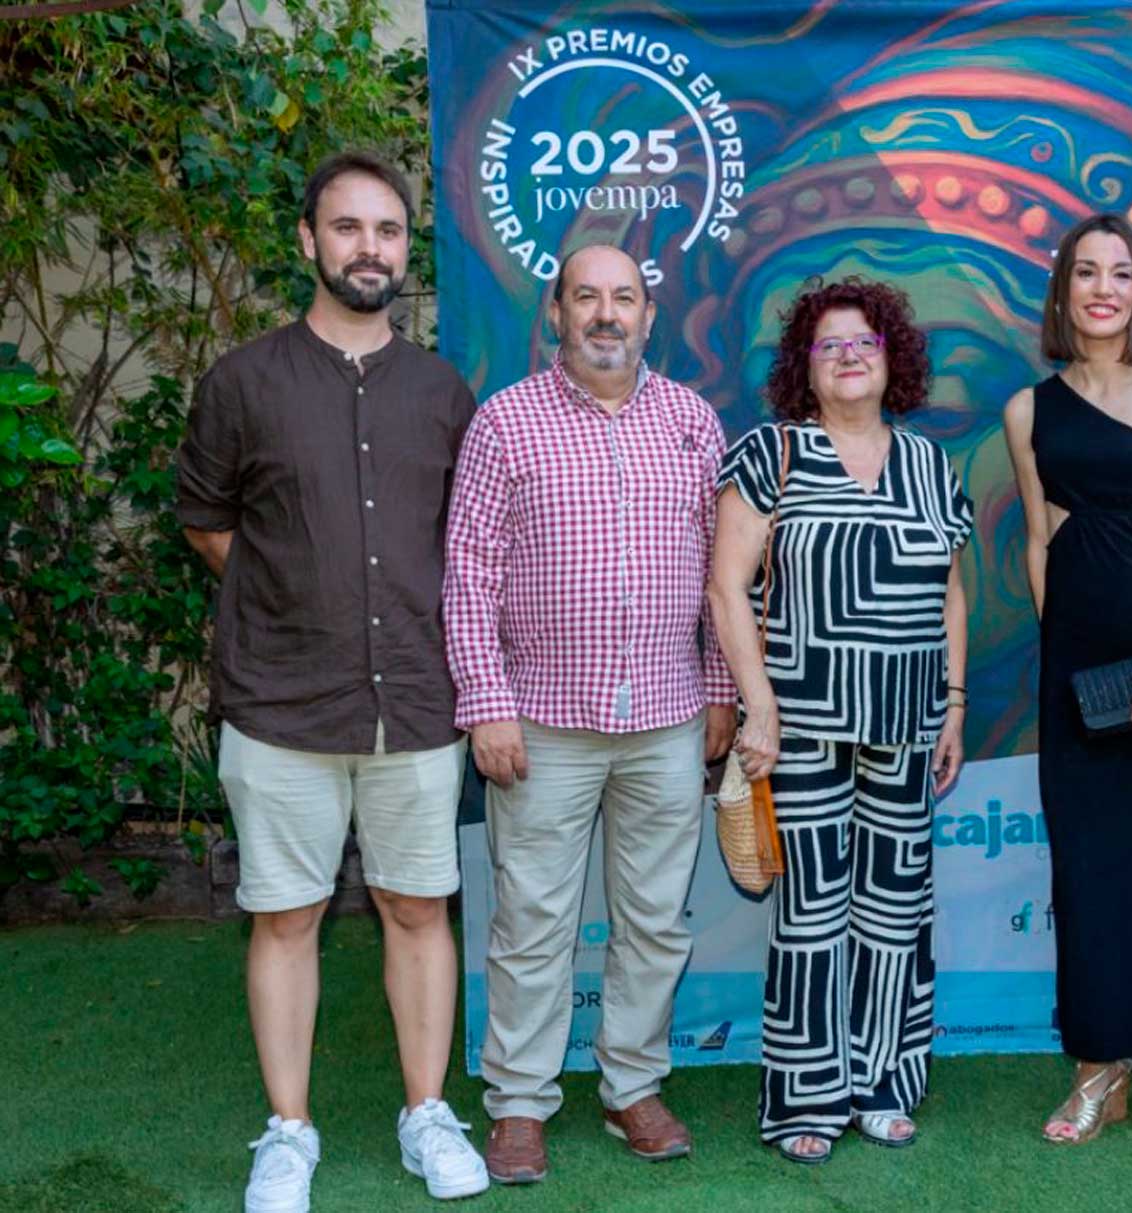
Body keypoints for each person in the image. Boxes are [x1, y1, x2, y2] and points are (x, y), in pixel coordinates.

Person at [176, 152, 489, 1213]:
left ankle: (426, 1113)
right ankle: (289, 1131)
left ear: (407, 250)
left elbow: (464, 544)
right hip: (280, 705)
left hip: (417, 703)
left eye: (388, 230)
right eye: (348, 227)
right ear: (309, 240)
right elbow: (206, 521)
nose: (370, 247)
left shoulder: (442, 392)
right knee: (285, 916)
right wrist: (291, 599)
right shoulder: (242, 384)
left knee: (418, 907)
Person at [441, 242, 739, 1182]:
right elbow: (468, 572)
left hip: (668, 718)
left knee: (655, 919)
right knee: (533, 920)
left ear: (650, 315)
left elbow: (723, 574)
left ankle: (632, 1086)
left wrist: (721, 689)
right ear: (556, 313)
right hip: (541, 721)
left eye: (624, 297)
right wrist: (485, 701)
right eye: (587, 297)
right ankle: (519, 1102)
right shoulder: (505, 422)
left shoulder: (692, 422)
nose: (606, 313)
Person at [708, 278, 972, 1164]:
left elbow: (951, 592)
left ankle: (886, 1084)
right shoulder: (771, 454)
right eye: (830, 344)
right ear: (805, 366)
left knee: (896, 914)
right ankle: (806, 1097)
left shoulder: (930, 464)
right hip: (802, 730)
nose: (850, 355)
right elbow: (727, 588)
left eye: (866, 341)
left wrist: (954, 705)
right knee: (812, 914)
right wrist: (760, 705)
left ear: (893, 358)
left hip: (907, 725)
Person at [1001, 213, 1132, 1145]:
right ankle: (1097, 1068)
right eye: (1085, 272)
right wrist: (1065, 657)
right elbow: (1038, 541)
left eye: (1119, 273)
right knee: (1085, 870)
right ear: (1064, 290)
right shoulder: (1027, 410)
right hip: (1075, 668)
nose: (1102, 289)